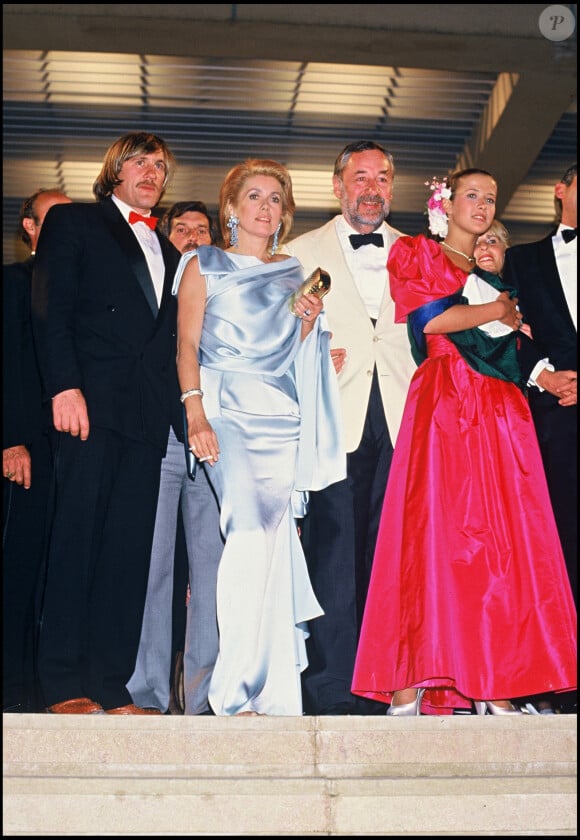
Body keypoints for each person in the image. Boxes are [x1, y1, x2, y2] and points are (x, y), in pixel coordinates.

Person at [352, 168, 577, 716]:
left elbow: (515, 341)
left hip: (501, 410)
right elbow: (430, 321)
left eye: (490, 199)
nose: (481, 205)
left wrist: (503, 306)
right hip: (447, 403)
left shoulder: (498, 273)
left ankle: (494, 677)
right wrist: (498, 311)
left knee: (501, 543)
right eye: (472, 196)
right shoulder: (417, 254)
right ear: (445, 203)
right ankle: (411, 679)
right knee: (432, 538)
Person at [173, 158, 345, 715]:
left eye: (275, 198)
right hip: (225, 410)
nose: (265, 207)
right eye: (254, 196)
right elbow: (186, 346)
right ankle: (233, 690)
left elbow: (290, 354)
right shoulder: (204, 263)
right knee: (246, 532)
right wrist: (194, 413)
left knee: (273, 548)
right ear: (231, 207)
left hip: (282, 417)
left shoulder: (294, 271)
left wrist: (308, 322)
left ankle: (271, 693)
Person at [31, 131, 181, 715]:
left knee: (127, 554)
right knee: (76, 544)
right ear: (115, 171)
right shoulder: (74, 222)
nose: (151, 171)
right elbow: (50, 307)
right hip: (88, 407)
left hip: (146, 418)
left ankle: (110, 684)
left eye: (160, 165)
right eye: (140, 161)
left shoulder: (169, 251)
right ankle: (63, 682)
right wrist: (63, 388)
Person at [285, 140, 417, 715]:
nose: (371, 188)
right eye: (359, 177)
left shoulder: (421, 253)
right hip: (331, 419)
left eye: (382, 178)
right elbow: (272, 341)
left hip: (404, 418)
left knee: (395, 557)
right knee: (332, 554)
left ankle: (387, 684)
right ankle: (333, 690)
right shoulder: (296, 252)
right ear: (337, 186)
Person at [127, 199, 223, 716]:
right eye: (179, 229)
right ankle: (147, 693)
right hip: (161, 438)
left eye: (200, 229)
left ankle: (204, 698)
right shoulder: (154, 283)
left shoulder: (229, 284)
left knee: (212, 573)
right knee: (154, 568)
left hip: (217, 442)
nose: (190, 236)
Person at [502, 164, 578, 716]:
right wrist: (544, 376)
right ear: (561, 191)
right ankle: (560, 677)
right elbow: (503, 330)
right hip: (552, 418)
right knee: (557, 545)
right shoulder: (522, 259)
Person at [3, 188, 72, 713]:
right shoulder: (12, 282)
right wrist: (10, 439)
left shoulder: (76, 288)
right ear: (29, 227)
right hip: (22, 451)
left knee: (56, 575)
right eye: (54, 219)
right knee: (18, 571)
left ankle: (47, 692)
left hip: (67, 456)